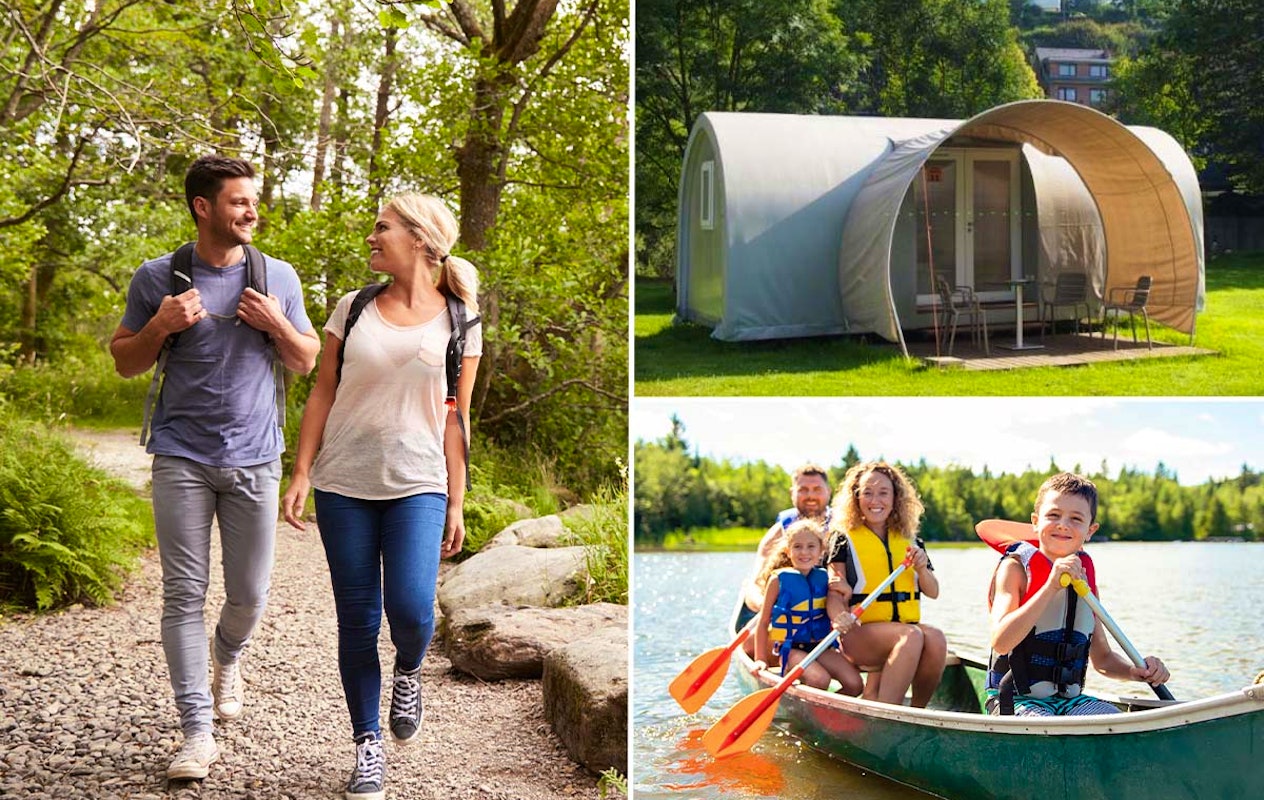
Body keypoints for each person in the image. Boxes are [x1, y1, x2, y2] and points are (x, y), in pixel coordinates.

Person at [109, 154, 319, 780]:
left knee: (249, 594)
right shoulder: (158, 276)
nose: (252, 211)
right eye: (239, 201)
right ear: (203, 208)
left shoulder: (277, 275)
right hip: (180, 455)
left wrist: (277, 322)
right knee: (183, 593)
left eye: (253, 200)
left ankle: (228, 654)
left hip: (256, 457)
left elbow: (306, 361)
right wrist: (160, 325)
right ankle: (196, 732)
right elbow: (124, 361)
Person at [280, 192, 482, 800]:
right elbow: (322, 391)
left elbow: (458, 417)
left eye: (381, 228)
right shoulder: (354, 306)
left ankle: (410, 669)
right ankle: (367, 746)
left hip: (419, 481)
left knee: (414, 609)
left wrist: (455, 499)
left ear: (419, 240)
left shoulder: (461, 319)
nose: (371, 237)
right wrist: (302, 471)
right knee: (357, 617)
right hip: (344, 482)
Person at [986, 472, 1170, 716]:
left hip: (1069, 703)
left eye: (1076, 518)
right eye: (1053, 515)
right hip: (1013, 699)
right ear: (1035, 521)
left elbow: (1103, 660)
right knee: (1048, 730)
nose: (1063, 524)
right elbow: (1001, 640)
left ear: (1090, 530)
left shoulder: (1084, 579)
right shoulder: (1016, 569)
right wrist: (1050, 587)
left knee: (1117, 722)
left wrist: (1133, 672)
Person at [825, 461, 946, 707]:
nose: (875, 500)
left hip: (901, 630)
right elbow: (835, 590)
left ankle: (918, 712)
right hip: (859, 635)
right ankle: (888, 711)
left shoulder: (911, 541)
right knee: (911, 635)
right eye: (867, 493)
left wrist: (922, 568)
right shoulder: (843, 539)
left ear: (895, 498)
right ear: (856, 498)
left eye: (883, 493)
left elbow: (932, 591)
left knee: (936, 638)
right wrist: (839, 616)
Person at [751, 520, 863, 695]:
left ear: (821, 552)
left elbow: (840, 609)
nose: (804, 552)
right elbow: (764, 622)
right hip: (792, 649)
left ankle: (827, 714)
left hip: (822, 646)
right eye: (797, 547)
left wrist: (847, 594)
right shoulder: (777, 580)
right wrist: (760, 659)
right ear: (788, 551)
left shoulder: (825, 578)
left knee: (855, 684)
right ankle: (807, 713)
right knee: (820, 679)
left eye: (811, 546)